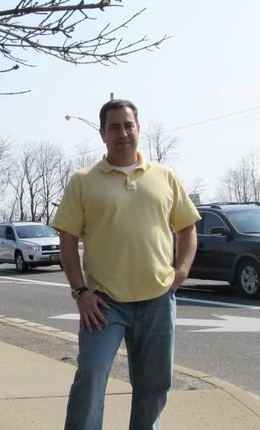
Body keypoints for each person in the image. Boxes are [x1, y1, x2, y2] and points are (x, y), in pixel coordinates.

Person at [52, 99, 200, 430]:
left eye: (128, 125)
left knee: (154, 385)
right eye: (114, 127)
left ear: (138, 129)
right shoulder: (84, 180)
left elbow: (187, 228)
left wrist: (182, 271)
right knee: (91, 376)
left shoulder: (164, 176)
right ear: (102, 133)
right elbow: (66, 239)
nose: (123, 133)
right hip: (104, 305)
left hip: (158, 300)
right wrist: (80, 293)